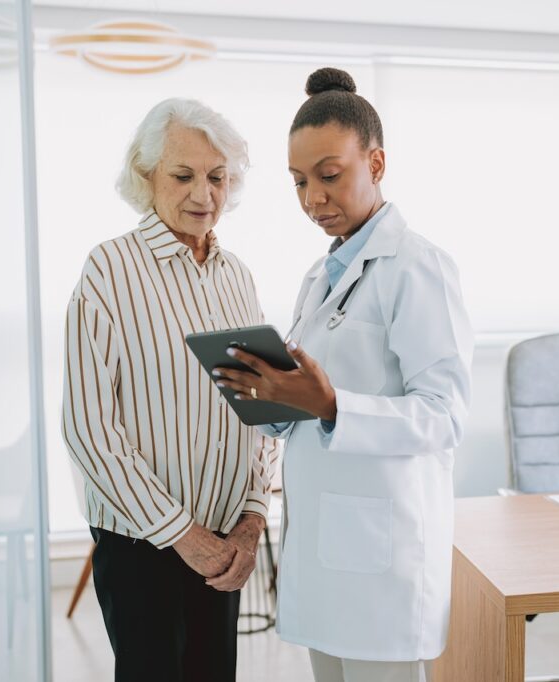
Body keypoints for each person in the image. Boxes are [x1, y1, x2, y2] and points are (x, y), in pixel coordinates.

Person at [212, 67, 472, 682]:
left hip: (384, 562)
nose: (312, 200)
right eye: (299, 182)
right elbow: (313, 401)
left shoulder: (418, 267)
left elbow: (445, 414)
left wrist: (333, 406)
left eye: (329, 176)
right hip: (326, 552)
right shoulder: (320, 275)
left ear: (376, 165)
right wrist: (271, 397)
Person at [62, 98, 278, 682]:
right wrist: (185, 536)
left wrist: (251, 523)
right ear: (146, 175)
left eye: (217, 177)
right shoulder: (108, 269)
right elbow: (88, 429)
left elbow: (265, 411)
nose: (204, 195)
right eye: (184, 176)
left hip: (228, 541)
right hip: (143, 544)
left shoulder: (238, 275)